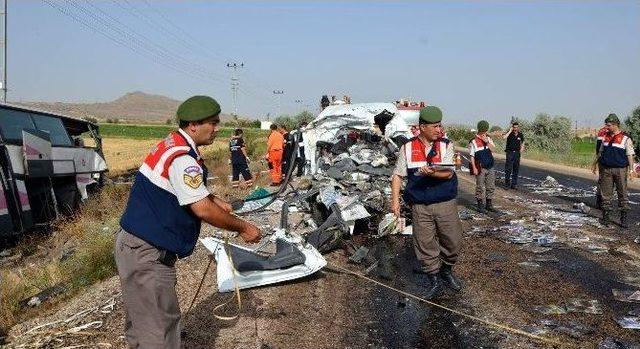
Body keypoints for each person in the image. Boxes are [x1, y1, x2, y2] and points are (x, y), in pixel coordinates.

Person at [116, 95, 261, 348]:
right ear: (193, 125)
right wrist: (244, 227)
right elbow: (202, 210)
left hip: (134, 247)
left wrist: (213, 198)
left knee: (141, 327)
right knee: (159, 333)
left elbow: (185, 191)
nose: (217, 129)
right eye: (213, 123)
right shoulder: (183, 158)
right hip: (148, 254)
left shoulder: (172, 144)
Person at [391, 106, 464, 299]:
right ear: (422, 127)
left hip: (444, 203)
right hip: (420, 206)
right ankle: (434, 280)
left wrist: (433, 172)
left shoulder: (446, 145)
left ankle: (446, 271)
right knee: (424, 244)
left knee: (453, 241)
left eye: (440, 126)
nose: (439, 130)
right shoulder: (407, 148)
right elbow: (397, 175)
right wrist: (395, 201)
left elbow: (448, 173)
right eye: (435, 126)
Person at [592, 113, 635, 228]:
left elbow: (630, 155)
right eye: (606, 125)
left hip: (620, 170)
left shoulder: (625, 138)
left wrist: (631, 170)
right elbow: (600, 152)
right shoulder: (605, 137)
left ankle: (623, 219)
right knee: (606, 194)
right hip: (606, 169)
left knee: (622, 193)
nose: (607, 127)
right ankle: (606, 217)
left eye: (609, 125)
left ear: (616, 125)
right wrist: (595, 163)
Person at [469, 120, 497, 213]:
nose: (485, 132)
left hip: (490, 166)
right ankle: (480, 205)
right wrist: (474, 168)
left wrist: (487, 142)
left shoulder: (488, 139)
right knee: (480, 187)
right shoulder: (473, 141)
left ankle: (489, 204)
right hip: (480, 167)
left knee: (490, 186)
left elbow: (493, 149)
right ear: (480, 129)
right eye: (484, 130)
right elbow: (472, 156)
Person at [502, 122, 525, 189]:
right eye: (514, 127)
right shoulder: (509, 134)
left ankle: (514, 184)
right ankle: (507, 184)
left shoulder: (520, 135)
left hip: (517, 153)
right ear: (512, 127)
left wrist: (522, 148)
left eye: (516, 127)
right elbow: (504, 137)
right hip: (510, 153)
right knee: (508, 169)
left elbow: (523, 141)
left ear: (518, 128)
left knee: (516, 169)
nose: (515, 129)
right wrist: (509, 131)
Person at [594, 125, 608, 209]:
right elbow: (599, 148)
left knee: (602, 180)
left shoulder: (601, 131)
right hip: (604, 161)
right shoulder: (603, 132)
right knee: (603, 181)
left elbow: (597, 149)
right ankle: (601, 201)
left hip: (602, 160)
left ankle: (600, 201)